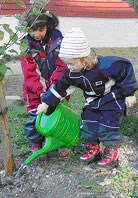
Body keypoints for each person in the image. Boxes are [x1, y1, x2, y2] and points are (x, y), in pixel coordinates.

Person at [36, 27, 138, 169]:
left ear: (84, 58)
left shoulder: (105, 65)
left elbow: (125, 68)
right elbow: (60, 88)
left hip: (111, 100)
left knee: (108, 127)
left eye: (71, 63)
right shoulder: (72, 74)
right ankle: (93, 148)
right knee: (88, 124)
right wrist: (46, 103)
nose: (69, 67)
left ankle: (111, 153)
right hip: (92, 101)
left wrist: (129, 93)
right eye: (67, 63)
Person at [20, 7, 70, 160]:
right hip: (35, 88)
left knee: (59, 111)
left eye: (40, 29)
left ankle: (60, 140)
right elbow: (29, 72)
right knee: (36, 113)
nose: (36, 34)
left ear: (48, 25)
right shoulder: (25, 45)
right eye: (32, 30)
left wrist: (55, 86)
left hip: (57, 86)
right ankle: (37, 142)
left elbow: (63, 64)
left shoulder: (57, 39)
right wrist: (40, 90)